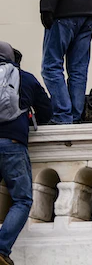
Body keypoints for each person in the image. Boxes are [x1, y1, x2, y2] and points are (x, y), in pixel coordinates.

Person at [0, 40, 51, 265]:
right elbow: (46, 110)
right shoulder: (25, 78)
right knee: (21, 199)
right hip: (12, 142)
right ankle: (1, 249)